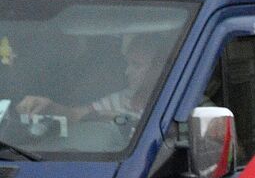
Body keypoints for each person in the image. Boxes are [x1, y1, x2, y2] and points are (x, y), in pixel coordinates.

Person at [15, 32, 164, 124]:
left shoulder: (169, 104)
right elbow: (75, 115)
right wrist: (49, 107)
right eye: (128, 63)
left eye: (136, 65)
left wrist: (115, 119)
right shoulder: (121, 98)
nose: (127, 72)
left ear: (158, 69)